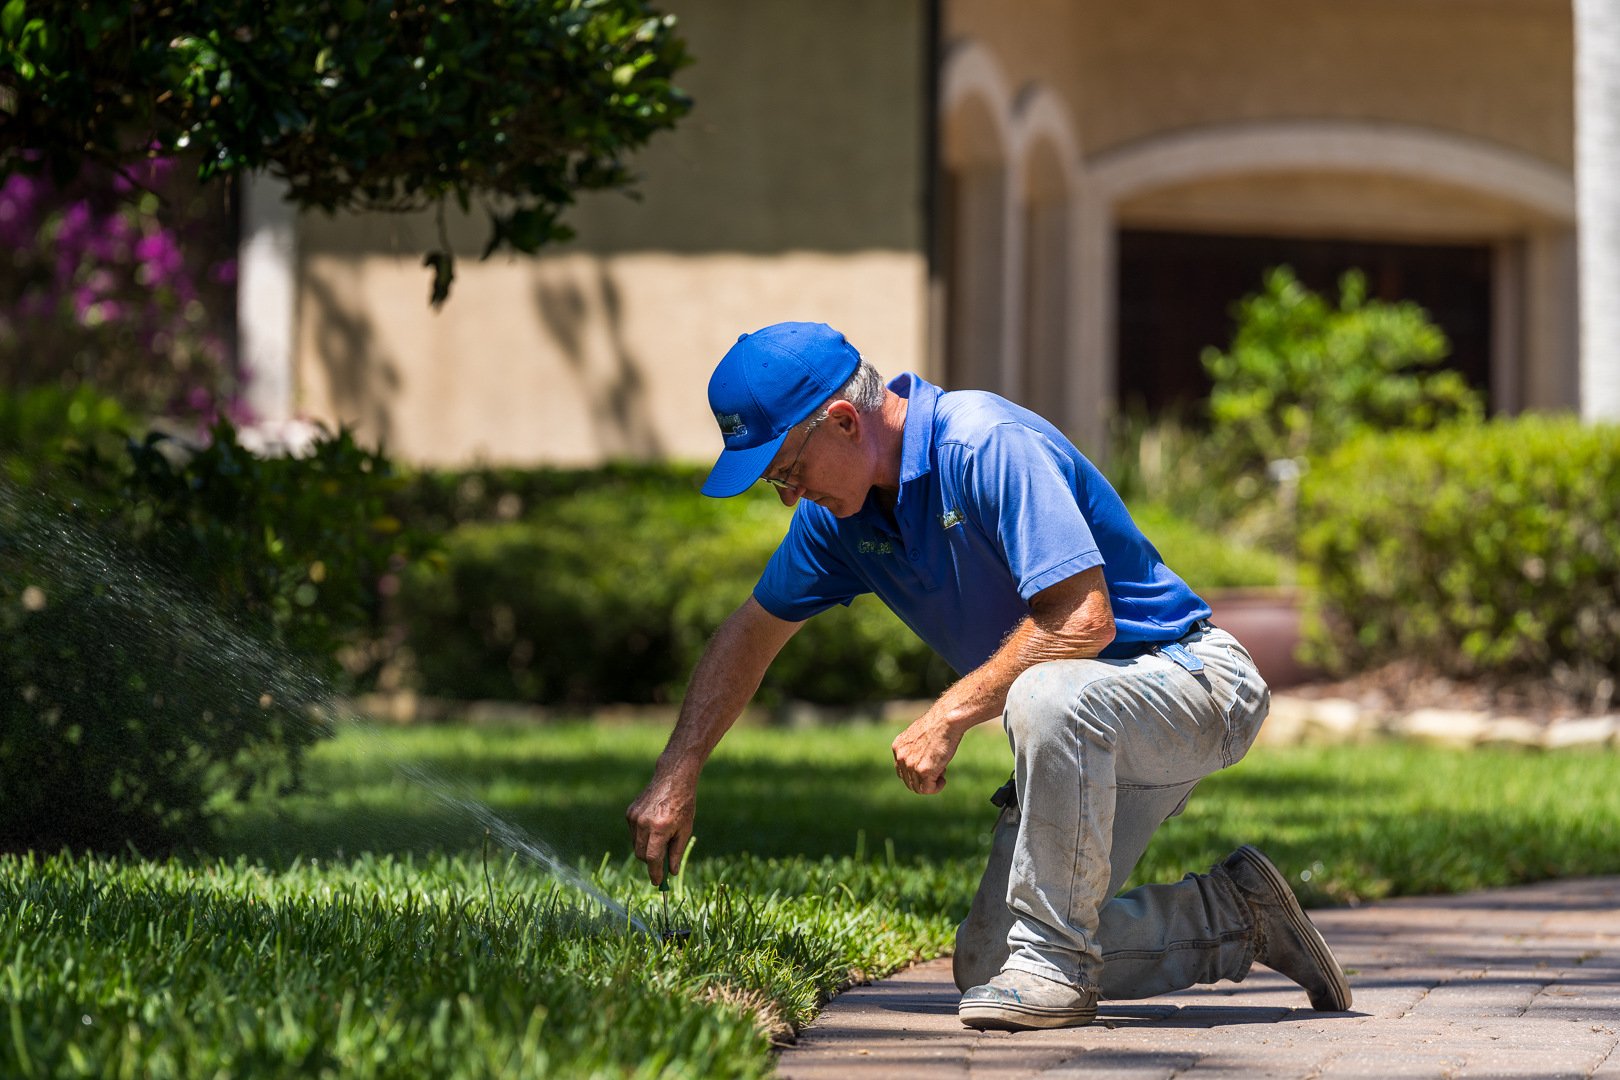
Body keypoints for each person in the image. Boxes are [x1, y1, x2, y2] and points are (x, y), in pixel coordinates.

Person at [625, 321, 1351, 1031]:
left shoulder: (983, 444)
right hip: (1082, 721)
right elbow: (750, 633)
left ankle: (1059, 976)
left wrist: (947, 716)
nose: (788, 496)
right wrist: (676, 771)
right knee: (991, 962)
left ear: (844, 421)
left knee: (1046, 695)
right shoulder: (840, 521)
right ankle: (1236, 917)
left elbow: (1082, 621)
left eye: (788, 470)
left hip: (1191, 683)